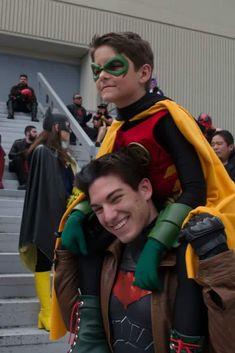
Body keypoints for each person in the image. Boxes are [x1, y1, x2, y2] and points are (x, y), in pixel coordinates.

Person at [51, 32, 235, 351]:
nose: (102, 76)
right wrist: (79, 215)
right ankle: (91, 329)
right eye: (96, 70)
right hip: (143, 209)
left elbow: (195, 187)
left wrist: (154, 244)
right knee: (91, 239)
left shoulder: (166, 117)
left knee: (189, 253)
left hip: (185, 209)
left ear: (144, 72)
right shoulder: (119, 128)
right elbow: (103, 181)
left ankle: (186, 341)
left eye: (114, 66)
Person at [54, 148, 235, 353]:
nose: (109, 216)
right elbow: (75, 325)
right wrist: (68, 249)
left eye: (116, 198)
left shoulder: (194, 253)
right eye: (98, 208)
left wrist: (218, 263)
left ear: (145, 189)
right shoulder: (104, 255)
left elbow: (228, 344)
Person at [19, 108, 77, 332]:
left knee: (56, 262)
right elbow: (48, 190)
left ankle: (52, 311)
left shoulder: (61, 155)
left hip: (61, 213)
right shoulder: (43, 152)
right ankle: (46, 312)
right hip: (47, 214)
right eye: (66, 130)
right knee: (44, 260)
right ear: (56, 128)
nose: (68, 134)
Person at [8, 125, 37, 190]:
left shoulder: (37, 144)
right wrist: (21, 153)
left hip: (30, 166)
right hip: (17, 165)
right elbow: (10, 155)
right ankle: (23, 183)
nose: (36, 134)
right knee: (18, 158)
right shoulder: (18, 142)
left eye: (36, 132)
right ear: (27, 133)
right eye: (34, 132)